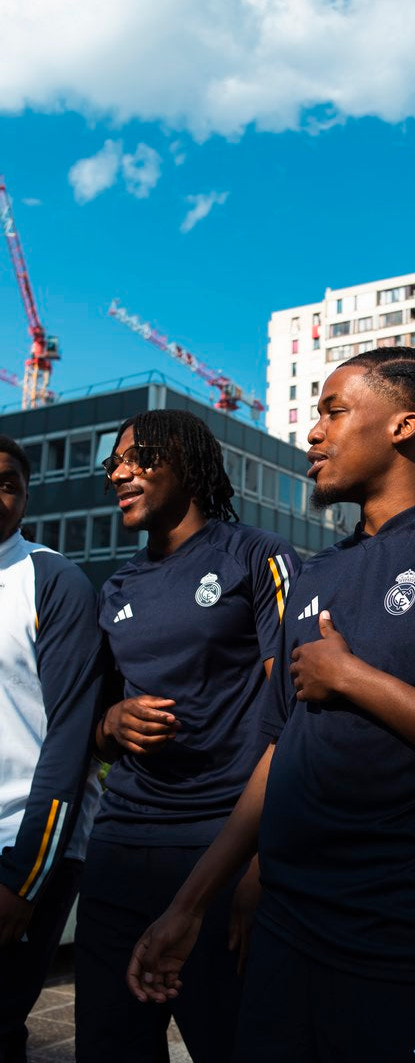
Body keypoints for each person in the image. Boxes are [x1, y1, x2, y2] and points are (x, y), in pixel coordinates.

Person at [126, 349, 415, 1062]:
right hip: (288, 934)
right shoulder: (315, 573)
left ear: (403, 425)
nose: (313, 433)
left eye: (334, 411)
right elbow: (277, 752)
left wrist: (355, 680)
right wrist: (191, 903)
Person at [73, 410, 299, 1063]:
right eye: (111, 463)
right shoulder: (116, 586)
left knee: (235, 1045)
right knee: (110, 1048)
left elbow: (298, 716)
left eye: (134, 457)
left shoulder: (258, 557)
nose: (116, 472)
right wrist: (112, 724)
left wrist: (264, 858)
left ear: (185, 461)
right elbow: (94, 728)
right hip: (119, 847)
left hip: (222, 847)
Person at [0, 435, 104, 1063]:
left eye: (8, 482)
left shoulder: (52, 581)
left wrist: (23, 882)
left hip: (20, 850)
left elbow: (70, 739)